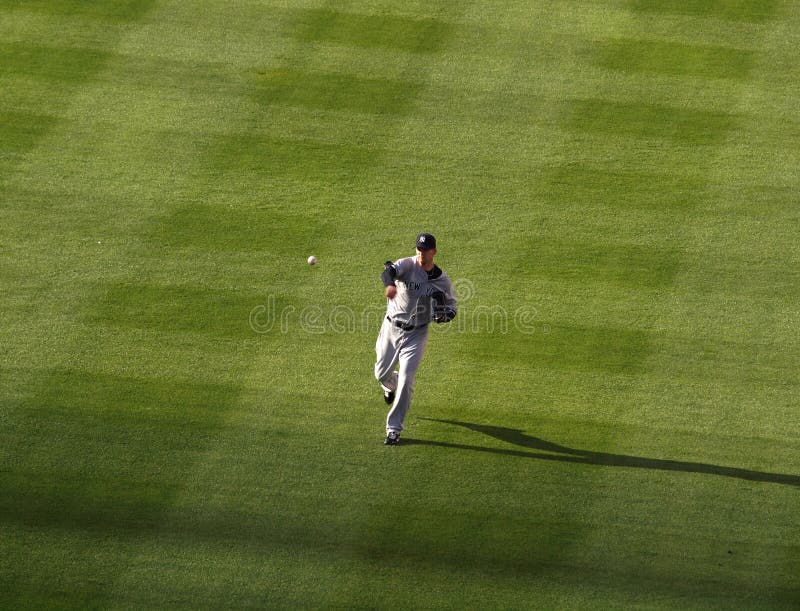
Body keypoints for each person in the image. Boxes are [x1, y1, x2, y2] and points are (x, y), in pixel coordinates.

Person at [374, 233, 457, 445]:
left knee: (406, 380)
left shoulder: (442, 281)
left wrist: (443, 316)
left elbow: (452, 309)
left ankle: (394, 429)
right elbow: (389, 271)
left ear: (434, 252)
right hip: (391, 327)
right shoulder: (408, 265)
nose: (421, 253)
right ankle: (388, 385)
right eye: (418, 249)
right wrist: (390, 284)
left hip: (417, 335)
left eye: (425, 250)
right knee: (381, 374)